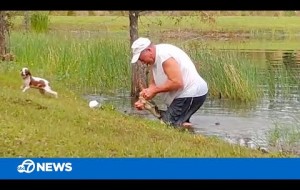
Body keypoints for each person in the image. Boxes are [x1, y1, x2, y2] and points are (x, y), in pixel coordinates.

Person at [131, 37, 208, 128]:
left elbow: (177, 82)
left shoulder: (165, 56)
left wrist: (154, 91)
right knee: (175, 122)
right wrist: (146, 95)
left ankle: (194, 134)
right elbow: (154, 82)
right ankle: (189, 133)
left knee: (168, 124)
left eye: (140, 58)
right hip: (183, 94)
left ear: (148, 50)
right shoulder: (154, 58)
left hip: (191, 92)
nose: (142, 62)